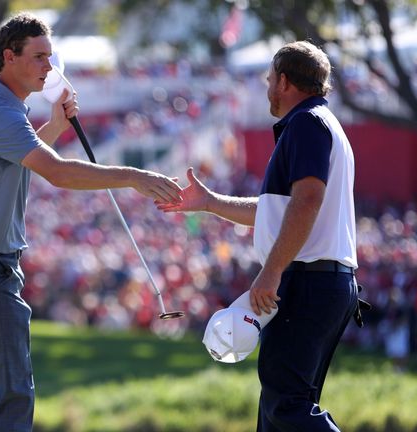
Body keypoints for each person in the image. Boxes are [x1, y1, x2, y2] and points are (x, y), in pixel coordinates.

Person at [0, 12, 181, 432]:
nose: (50, 67)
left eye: (51, 56)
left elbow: (19, 159)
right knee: (13, 395)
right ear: (10, 57)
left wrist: (57, 125)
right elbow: (58, 173)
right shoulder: (0, 112)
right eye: (40, 57)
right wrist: (135, 176)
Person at [159, 41, 360, 431]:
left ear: (284, 81)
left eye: (270, 79)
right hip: (321, 279)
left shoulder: (306, 123)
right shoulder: (319, 122)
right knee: (276, 413)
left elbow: (306, 202)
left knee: (286, 408)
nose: (267, 87)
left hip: (307, 280)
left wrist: (272, 271)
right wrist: (211, 202)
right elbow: (280, 213)